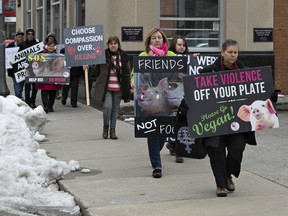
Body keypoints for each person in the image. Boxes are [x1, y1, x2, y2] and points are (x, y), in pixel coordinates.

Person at [200, 39, 258, 197]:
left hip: (238, 121)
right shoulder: (207, 72)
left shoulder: (245, 71)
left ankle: (228, 174)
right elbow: (197, 94)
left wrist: (269, 94)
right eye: (230, 52)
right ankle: (221, 184)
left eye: (236, 52)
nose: (233, 55)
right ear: (222, 52)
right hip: (215, 120)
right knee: (216, 150)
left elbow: (256, 92)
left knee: (237, 149)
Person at [132, 28, 176, 178]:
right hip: (149, 101)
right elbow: (135, 75)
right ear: (149, 41)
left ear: (164, 41)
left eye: (159, 38)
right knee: (152, 132)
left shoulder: (171, 55)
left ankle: (155, 153)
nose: (157, 40)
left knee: (163, 133)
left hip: (165, 101)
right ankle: (156, 165)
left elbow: (178, 72)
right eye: (154, 38)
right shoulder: (143, 56)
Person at [83, 36, 131, 140]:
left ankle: (113, 130)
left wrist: (130, 84)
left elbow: (128, 70)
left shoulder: (123, 55)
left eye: (115, 43)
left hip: (119, 87)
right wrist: (88, 68)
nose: (113, 45)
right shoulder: (102, 55)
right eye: (111, 43)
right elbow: (96, 70)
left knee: (115, 110)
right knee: (107, 107)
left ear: (118, 44)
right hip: (106, 87)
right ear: (108, 45)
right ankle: (105, 127)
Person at [165, 35, 190, 163]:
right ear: (174, 45)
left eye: (184, 45)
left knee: (183, 120)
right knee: (174, 119)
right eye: (179, 44)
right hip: (173, 93)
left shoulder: (189, 60)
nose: (182, 47)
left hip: (185, 94)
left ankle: (175, 145)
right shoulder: (169, 58)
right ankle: (176, 147)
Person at [35, 41, 62, 113]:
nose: (51, 47)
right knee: (44, 92)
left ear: (54, 47)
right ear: (46, 46)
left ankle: (50, 105)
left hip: (53, 77)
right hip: (44, 77)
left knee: (52, 93)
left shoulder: (58, 56)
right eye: (49, 46)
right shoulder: (41, 55)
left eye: (52, 46)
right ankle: (45, 106)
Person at [20, 28, 39, 108]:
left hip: (35, 68)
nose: (30, 35)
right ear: (26, 35)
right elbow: (18, 56)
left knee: (35, 87)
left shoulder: (37, 44)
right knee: (27, 86)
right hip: (27, 69)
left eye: (32, 34)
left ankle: (33, 101)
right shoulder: (23, 44)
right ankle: (28, 102)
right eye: (29, 34)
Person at [6, 30, 25, 99]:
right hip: (13, 69)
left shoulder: (24, 46)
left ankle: (19, 95)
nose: (20, 38)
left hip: (22, 68)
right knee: (17, 83)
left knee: (21, 83)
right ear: (16, 37)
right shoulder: (9, 46)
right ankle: (18, 97)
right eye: (19, 37)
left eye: (22, 37)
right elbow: (6, 57)